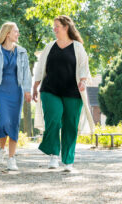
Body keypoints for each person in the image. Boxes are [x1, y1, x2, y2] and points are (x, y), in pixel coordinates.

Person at [32, 15, 94, 172]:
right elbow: (40, 67)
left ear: (66, 27)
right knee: (53, 119)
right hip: (50, 90)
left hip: (72, 92)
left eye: (57, 26)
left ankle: (68, 161)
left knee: (70, 125)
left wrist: (83, 80)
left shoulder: (78, 47)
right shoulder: (49, 46)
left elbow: (83, 66)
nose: (54, 29)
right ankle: (53, 155)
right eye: (54, 26)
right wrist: (36, 84)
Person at [0, 22, 32, 171]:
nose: (18, 34)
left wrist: (27, 90)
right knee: (4, 121)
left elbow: (27, 73)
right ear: (8, 33)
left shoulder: (22, 52)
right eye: (16, 31)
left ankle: (11, 158)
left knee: (14, 123)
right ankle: (1, 149)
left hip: (16, 91)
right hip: (0, 91)